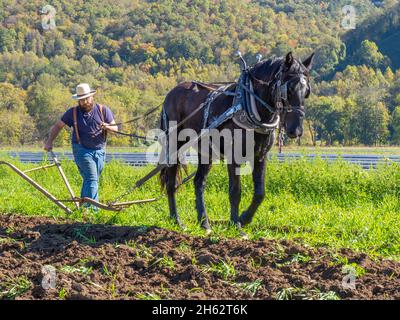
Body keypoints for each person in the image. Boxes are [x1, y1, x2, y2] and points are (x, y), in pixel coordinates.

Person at [44, 83, 118, 209]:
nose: (84, 102)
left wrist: (107, 126)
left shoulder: (103, 110)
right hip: (81, 149)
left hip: (100, 150)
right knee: (92, 178)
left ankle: (83, 208)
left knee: (91, 180)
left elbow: (115, 128)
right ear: (78, 100)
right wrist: (49, 141)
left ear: (92, 97)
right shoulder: (72, 113)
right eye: (81, 100)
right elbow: (58, 126)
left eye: (86, 99)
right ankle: (92, 211)